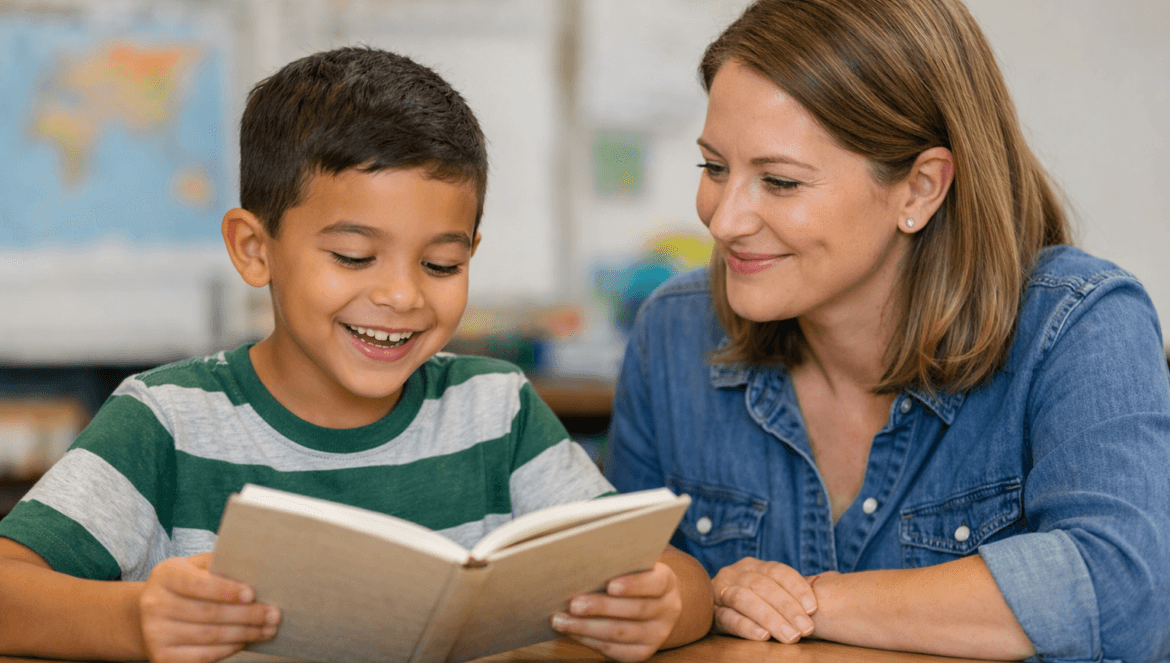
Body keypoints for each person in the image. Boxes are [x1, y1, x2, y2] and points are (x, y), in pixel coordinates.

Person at [0, 47, 713, 663]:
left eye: (441, 265)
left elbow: (677, 575)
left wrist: (659, 606)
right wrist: (136, 619)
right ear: (255, 249)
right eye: (353, 255)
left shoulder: (495, 409)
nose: (402, 295)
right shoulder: (167, 420)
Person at [603, 0, 1170, 661]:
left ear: (921, 188)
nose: (723, 220)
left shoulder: (1079, 324)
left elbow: (1123, 595)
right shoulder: (671, 331)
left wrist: (805, 601)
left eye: (780, 181)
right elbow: (622, 583)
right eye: (714, 168)